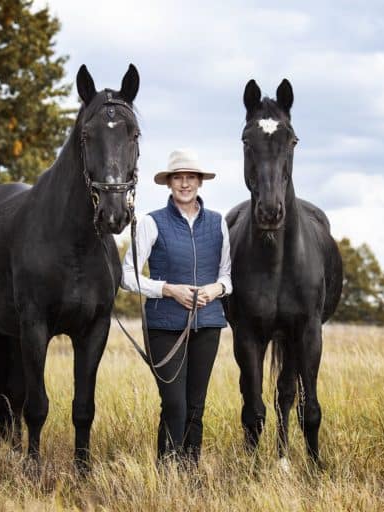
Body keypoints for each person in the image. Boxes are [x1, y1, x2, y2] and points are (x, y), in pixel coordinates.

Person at [121, 148, 231, 466]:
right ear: (169, 183)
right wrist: (167, 289)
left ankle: (188, 470)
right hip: (164, 326)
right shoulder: (151, 223)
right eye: (178, 178)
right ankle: (167, 472)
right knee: (174, 404)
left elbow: (228, 275)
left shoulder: (218, 223)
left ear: (199, 182)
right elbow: (127, 276)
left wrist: (216, 288)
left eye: (191, 178)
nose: (185, 184)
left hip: (208, 324)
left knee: (196, 405)